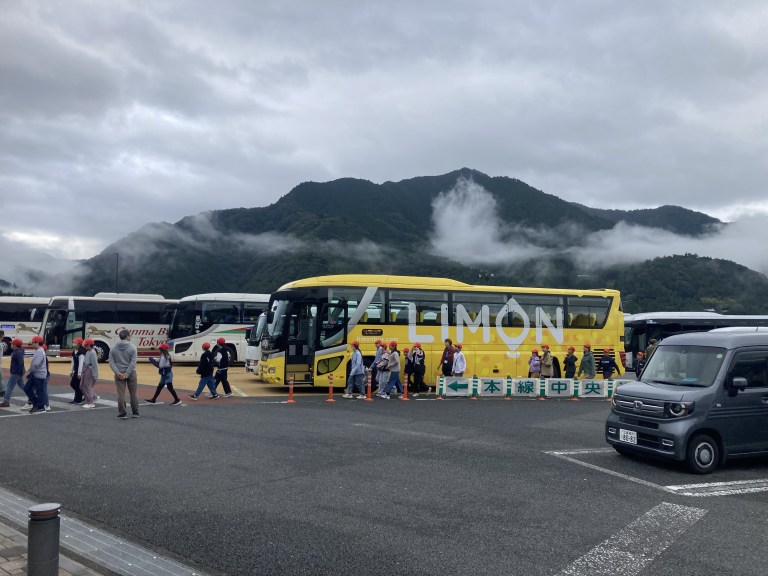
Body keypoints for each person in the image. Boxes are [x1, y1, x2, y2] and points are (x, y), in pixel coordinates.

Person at [109, 329, 139, 419]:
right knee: (133, 393)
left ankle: (122, 412)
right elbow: (133, 362)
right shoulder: (133, 347)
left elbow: (111, 362)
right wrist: (127, 373)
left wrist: (118, 373)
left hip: (119, 373)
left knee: (120, 393)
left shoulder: (113, 348)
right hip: (131, 373)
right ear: (127, 337)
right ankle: (135, 412)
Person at [23, 335, 47, 414]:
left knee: (39, 391)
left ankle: (40, 407)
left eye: (33, 343)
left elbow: (36, 364)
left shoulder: (40, 351)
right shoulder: (38, 350)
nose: (32, 345)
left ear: (37, 343)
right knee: (27, 388)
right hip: (36, 373)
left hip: (39, 374)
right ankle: (37, 404)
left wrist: (30, 371)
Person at [0, 338, 25, 407]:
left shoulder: (17, 352)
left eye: (12, 344)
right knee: (22, 385)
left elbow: (20, 363)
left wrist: (20, 371)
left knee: (9, 387)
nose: (11, 345)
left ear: (15, 345)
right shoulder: (19, 352)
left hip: (16, 372)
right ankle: (32, 397)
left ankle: (6, 401)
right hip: (18, 372)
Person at [79, 338, 99, 409]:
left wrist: (95, 374)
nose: (85, 346)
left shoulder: (92, 353)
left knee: (87, 386)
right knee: (82, 386)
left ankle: (90, 402)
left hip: (90, 371)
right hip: (86, 370)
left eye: (86, 345)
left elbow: (95, 364)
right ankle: (93, 397)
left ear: (90, 345)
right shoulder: (88, 352)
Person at [69, 337, 86, 404]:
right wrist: (71, 371)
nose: (73, 343)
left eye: (75, 343)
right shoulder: (74, 351)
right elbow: (72, 362)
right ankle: (78, 398)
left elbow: (81, 363)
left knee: (75, 384)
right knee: (74, 384)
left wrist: (79, 373)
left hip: (80, 370)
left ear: (79, 344)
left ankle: (78, 398)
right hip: (75, 370)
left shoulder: (82, 352)